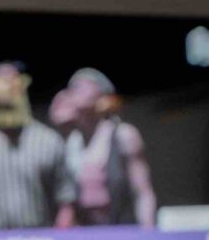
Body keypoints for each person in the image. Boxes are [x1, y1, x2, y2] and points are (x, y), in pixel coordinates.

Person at [0, 58, 75, 229]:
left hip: (41, 239)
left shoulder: (49, 141)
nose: (7, 93)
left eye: (12, 86)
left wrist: (61, 238)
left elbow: (66, 202)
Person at [49, 67, 157, 226]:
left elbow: (143, 192)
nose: (75, 89)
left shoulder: (123, 135)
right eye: (73, 87)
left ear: (102, 94)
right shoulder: (72, 141)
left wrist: (148, 232)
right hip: (87, 232)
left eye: (85, 84)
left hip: (121, 228)